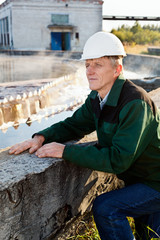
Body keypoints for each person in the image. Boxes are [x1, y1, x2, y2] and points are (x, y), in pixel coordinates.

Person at [9, 31, 160, 240]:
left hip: (155, 182)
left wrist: (65, 151)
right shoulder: (97, 98)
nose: (89, 71)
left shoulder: (135, 103)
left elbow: (118, 160)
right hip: (140, 181)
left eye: (98, 64)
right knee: (149, 235)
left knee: (107, 208)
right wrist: (41, 137)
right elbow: (74, 125)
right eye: (87, 64)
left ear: (117, 69)